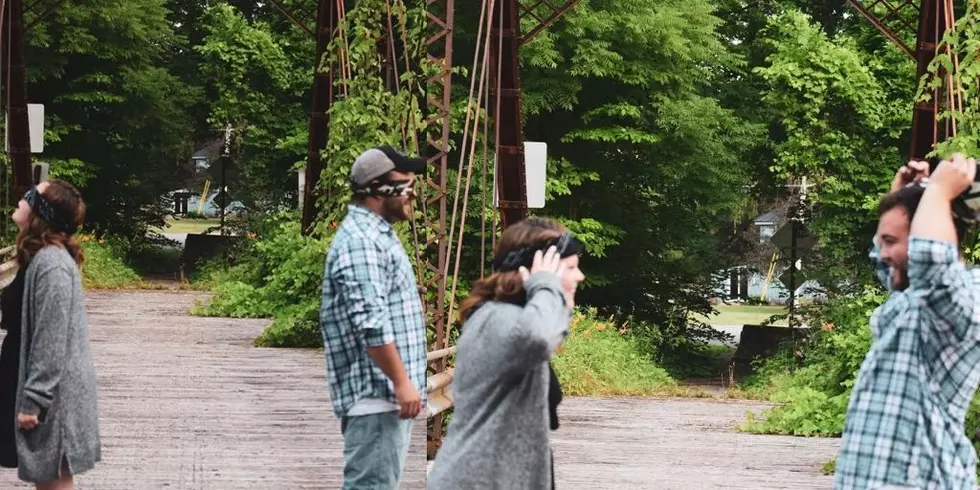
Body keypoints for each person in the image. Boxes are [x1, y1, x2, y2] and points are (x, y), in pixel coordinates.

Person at [834, 153, 980, 489]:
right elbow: (893, 268)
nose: (880, 252)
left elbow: (930, 260)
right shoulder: (915, 296)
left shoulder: (965, 296)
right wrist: (901, 196)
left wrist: (939, 193)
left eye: (890, 241)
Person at [427, 217, 586, 490]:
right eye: (571, 268)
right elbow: (538, 337)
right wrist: (548, 286)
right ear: (537, 270)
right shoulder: (498, 320)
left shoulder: (506, 318)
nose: (579, 276)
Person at [319, 145, 428, 490]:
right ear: (380, 186)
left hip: (383, 398)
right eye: (407, 183)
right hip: (377, 396)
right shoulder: (362, 242)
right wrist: (400, 381)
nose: (412, 189)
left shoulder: (375, 235)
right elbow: (371, 321)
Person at [10, 179, 100, 490]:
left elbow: (51, 340)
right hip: (50, 391)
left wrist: (33, 401)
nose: (21, 199)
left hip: (56, 395)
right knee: (48, 475)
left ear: (40, 212)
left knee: (54, 477)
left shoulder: (52, 265)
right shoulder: (41, 258)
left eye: (29, 196)